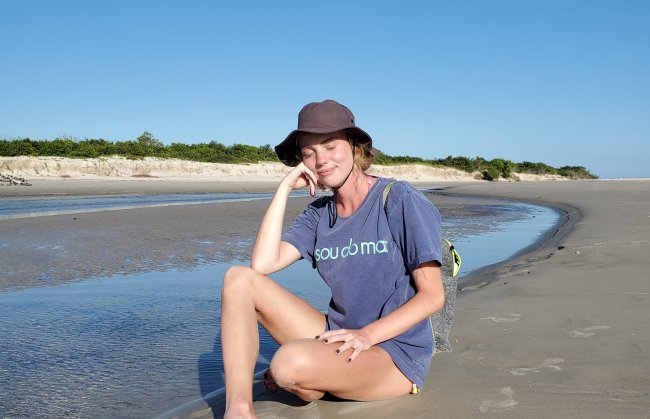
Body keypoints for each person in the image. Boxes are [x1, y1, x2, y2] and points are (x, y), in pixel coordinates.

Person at [220, 99, 445, 418]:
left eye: (329, 145)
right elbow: (262, 265)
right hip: (338, 338)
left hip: (391, 353)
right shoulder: (318, 215)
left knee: (286, 364)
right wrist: (283, 188)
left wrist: (366, 335)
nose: (320, 160)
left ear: (354, 146)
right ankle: (239, 410)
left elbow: (433, 296)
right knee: (238, 279)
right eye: (309, 152)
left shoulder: (398, 199)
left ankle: (310, 376)